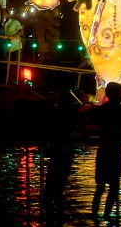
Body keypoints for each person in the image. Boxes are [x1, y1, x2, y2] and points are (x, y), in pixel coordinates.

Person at [82, 81, 121, 222]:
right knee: (114, 186)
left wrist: (86, 136)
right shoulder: (119, 110)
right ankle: (107, 214)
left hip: (103, 150)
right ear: (116, 94)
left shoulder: (102, 110)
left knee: (100, 187)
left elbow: (83, 116)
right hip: (114, 152)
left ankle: (94, 214)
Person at [43, 86, 82, 227]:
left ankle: (54, 221)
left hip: (60, 158)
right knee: (55, 194)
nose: (56, 101)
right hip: (61, 157)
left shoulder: (62, 116)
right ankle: (57, 221)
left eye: (58, 98)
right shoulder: (69, 117)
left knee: (51, 194)